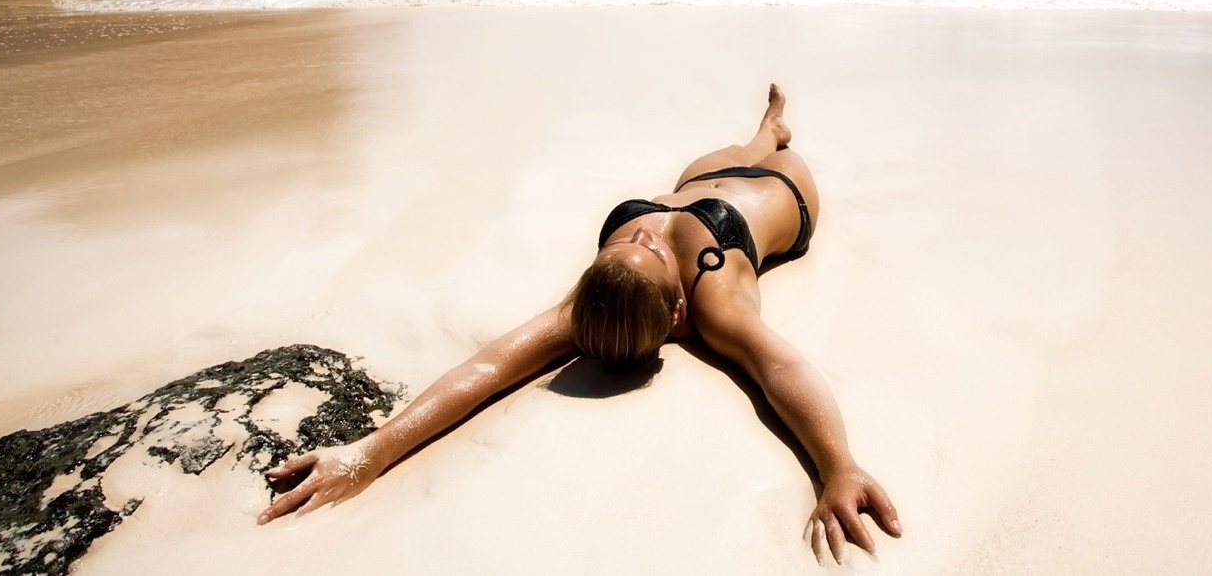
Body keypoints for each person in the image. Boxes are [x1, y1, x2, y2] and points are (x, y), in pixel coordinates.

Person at [258, 85, 901, 563]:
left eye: (632, 242)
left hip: (702, 180)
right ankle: (773, 140)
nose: (644, 230)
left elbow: (486, 367)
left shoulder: (607, 298)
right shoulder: (706, 301)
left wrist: (367, 452)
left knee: (741, 148)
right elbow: (781, 367)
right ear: (676, 313)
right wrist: (838, 466)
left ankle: (768, 127)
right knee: (760, 156)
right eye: (642, 247)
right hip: (783, 189)